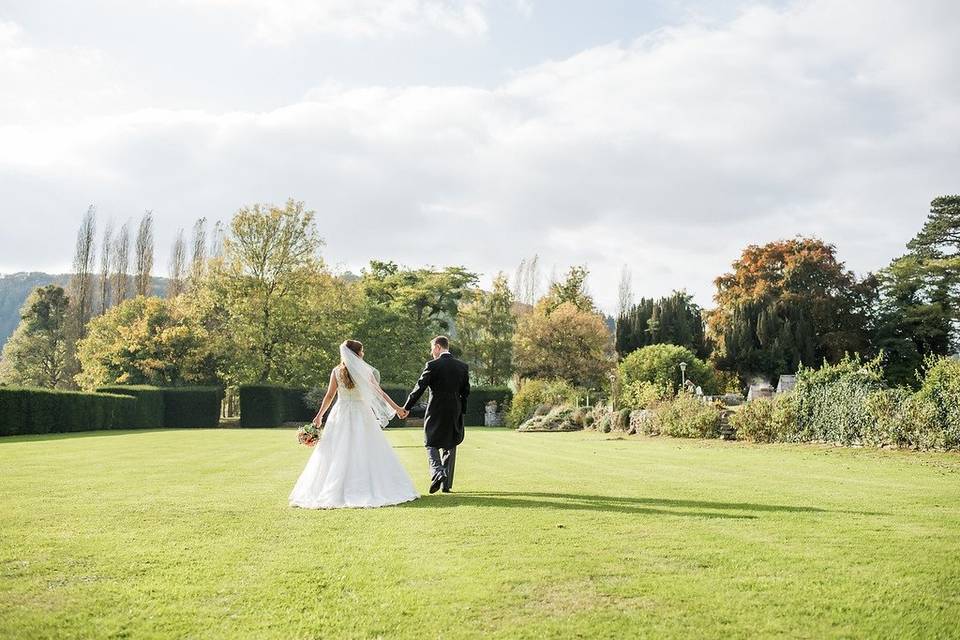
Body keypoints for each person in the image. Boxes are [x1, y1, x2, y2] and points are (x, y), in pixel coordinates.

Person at [289, 340, 419, 509]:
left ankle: (334, 489)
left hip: (340, 413)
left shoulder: (336, 371)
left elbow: (329, 396)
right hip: (361, 414)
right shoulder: (365, 371)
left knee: (336, 450)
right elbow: (379, 393)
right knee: (365, 448)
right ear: (356, 353)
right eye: (362, 351)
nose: (363, 354)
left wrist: (319, 416)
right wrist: (398, 409)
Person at [401, 336, 470, 494]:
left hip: (436, 410)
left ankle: (438, 472)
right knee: (450, 444)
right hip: (455, 410)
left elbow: (419, 388)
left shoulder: (433, 365)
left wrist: (407, 407)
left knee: (430, 442)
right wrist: (461, 411)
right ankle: (446, 485)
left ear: (438, 347)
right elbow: (466, 392)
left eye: (432, 348)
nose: (431, 352)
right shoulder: (462, 366)